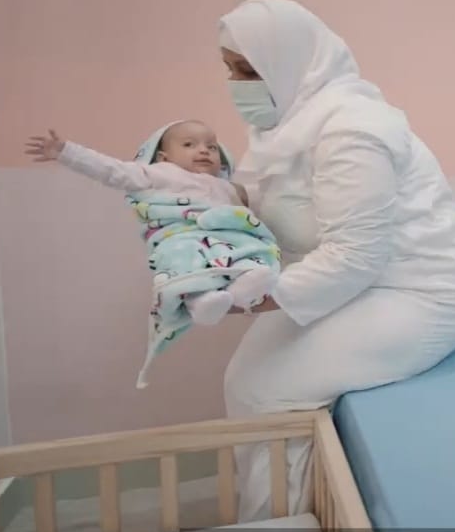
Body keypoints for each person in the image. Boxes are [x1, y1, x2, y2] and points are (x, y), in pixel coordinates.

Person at [215, 0, 455, 521]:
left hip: (422, 294)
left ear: (290, 61)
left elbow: (357, 254)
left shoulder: (353, 129)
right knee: (241, 377)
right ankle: (271, 513)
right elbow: (293, 212)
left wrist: (249, 298)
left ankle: (283, 527)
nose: (235, 84)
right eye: (229, 69)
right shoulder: (287, 128)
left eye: (246, 70)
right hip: (355, 283)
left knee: (265, 390)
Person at [25, 120, 282, 387]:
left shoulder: (228, 188)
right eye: (189, 144)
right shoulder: (159, 174)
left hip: (225, 239)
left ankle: (245, 286)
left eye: (212, 146)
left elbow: (265, 203)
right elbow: (111, 170)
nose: (204, 150)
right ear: (164, 156)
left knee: (252, 248)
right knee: (185, 260)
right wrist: (66, 152)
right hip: (182, 235)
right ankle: (200, 301)